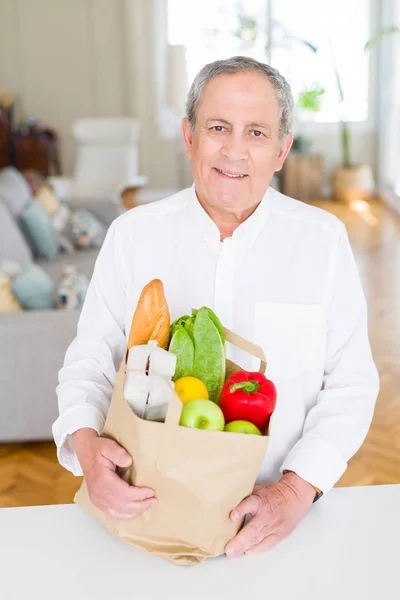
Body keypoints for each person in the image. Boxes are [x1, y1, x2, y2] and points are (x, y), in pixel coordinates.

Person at [53, 56, 380, 559]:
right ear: (189, 136)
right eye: (218, 127)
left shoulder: (323, 240)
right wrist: (85, 442)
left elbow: (352, 383)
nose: (234, 150)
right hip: (142, 518)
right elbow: (90, 358)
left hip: (280, 529)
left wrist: (295, 491)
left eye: (256, 133)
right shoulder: (133, 236)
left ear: (281, 150)